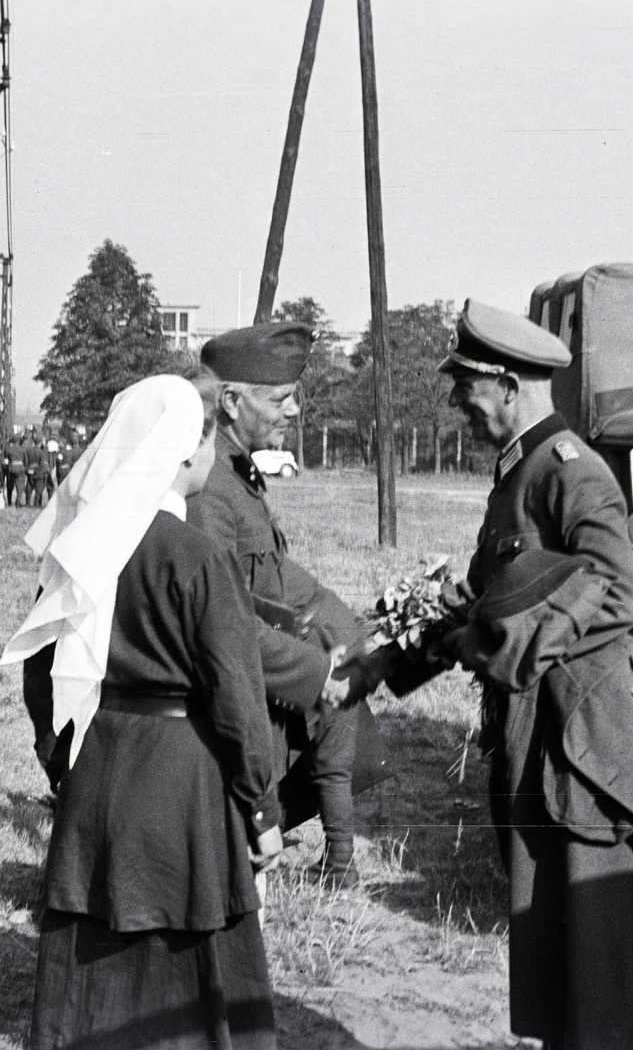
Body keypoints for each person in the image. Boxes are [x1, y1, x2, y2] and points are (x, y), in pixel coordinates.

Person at [395, 299, 633, 1050]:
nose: (456, 402)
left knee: (599, 972)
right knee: (558, 966)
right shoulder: (518, 474)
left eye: (465, 384)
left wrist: (503, 644)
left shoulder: (571, 471)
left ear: (506, 383)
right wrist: (393, 660)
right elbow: (490, 602)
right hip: (546, 747)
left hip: (589, 753)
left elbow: (616, 587)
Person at [5, 375, 283, 1050]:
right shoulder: (196, 556)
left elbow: (42, 673)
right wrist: (262, 808)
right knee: (187, 970)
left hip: (98, 767)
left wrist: (60, 758)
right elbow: (237, 699)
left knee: (97, 965)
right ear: (185, 456)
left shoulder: (80, 546)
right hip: (182, 778)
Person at [189, 324, 389, 888]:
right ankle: (308, 849)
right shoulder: (209, 489)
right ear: (231, 401)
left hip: (261, 669)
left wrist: (350, 635)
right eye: (279, 398)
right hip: (226, 696)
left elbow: (281, 579)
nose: (295, 409)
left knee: (344, 674)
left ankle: (339, 858)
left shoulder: (236, 476)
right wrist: (319, 668)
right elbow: (221, 619)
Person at [5, 435, 29, 506]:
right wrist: (25, 468)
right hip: (20, 469)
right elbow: (26, 461)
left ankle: (9, 502)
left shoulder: (9, 449)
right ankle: (18, 502)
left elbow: (5, 459)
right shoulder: (22, 449)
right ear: (19, 441)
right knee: (20, 487)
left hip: (11, 468)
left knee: (9, 486)